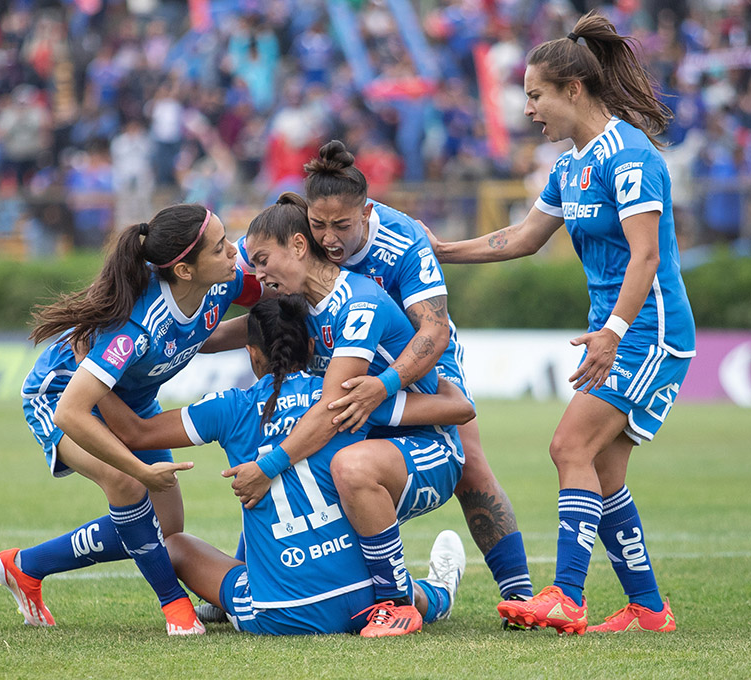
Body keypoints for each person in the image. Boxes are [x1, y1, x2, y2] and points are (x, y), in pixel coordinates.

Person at [426, 11, 695, 635]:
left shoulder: (627, 156)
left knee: (567, 446)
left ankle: (566, 595)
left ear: (573, 90)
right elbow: (520, 238)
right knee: (602, 472)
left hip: (648, 333)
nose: (528, 110)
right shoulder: (573, 165)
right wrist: (438, 251)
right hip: (621, 333)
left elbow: (647, 255)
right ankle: (648, 609)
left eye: (535, 95)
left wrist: (615, 332)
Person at [98, 295, 472, 635]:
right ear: (312, 347)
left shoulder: (229, 407)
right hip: (365, 600)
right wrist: (438, 371)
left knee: (176, 545)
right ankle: (434, 594)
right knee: (376, 553)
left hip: (278, 613)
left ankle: (227, 599)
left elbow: (136, 434)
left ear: (252, 354)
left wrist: (93, 371)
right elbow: (457, 409)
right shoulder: (346, 397)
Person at [273, 140, 535, 619]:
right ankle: (260, 578)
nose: (328, 239)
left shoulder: (402, 239)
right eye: (318, 224)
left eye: (342, 226)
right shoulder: (299, 235)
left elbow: (433, 332)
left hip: (417, 359)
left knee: (470, 460)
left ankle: (519, 597)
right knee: (303, 455)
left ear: (367, 211)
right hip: (345, 359)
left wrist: (385, 384)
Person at [0, 204, 261, 636]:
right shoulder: (135, 327)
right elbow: (71, 412)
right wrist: (140, 469)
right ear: (185, 271)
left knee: (167, 529)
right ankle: (176, 608)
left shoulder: (223, 281)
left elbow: (241, 320)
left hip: (130, 400)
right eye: (220, 247)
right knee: (127, 485)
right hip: (60, 395)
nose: (234, 252)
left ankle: (25, 566)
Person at [229, 194, 465, 637]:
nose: (258, 275)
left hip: (426, 450)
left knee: (342, 463)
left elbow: (334, 411)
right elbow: (243, 330)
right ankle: (434, 593)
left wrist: (265, 467)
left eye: (263, 260)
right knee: (303, 467)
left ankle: (397, 605)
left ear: (299, 246)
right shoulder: (303, 306)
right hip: (375, 443)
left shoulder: (356, 301)